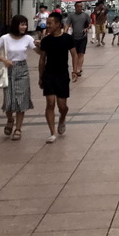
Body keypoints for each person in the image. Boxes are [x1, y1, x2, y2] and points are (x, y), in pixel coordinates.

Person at [0, 14, 35, 141]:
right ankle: (9, 119)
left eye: (25, 24)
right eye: (22, 24)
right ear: (15, 25)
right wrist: (4, 60)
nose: (24, 27)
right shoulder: (5, 38)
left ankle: (18, 128)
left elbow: (39, 52)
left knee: (22, 99)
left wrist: (41, 45)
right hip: (9, 69)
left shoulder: (28, 38)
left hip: (22, 70)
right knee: (8, 99)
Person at [38, 12, 74, 143]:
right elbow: (42, 59)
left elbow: (74, 54)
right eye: (47, 23)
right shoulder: (46, 40)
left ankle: (62, 118)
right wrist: (40, 76)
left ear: (58, 24)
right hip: (49, 74)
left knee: (62, 106)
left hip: (62, 74)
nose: (47, 25)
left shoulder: (67, 38)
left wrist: (75, 70)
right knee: (50, 103)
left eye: (50, 23)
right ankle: (52, 132)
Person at [66, 1, 91, 80]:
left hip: (83, 37)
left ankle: (79, 68)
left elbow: (90, 24)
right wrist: (64, 33)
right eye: (78, 6)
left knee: (81, 53)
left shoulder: (85, 15)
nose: (79, 8)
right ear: (75, 7)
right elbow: (67, 25)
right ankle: (75, 68)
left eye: (81, 6)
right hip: (74, 37)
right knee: (75, 54)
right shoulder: (71, 16)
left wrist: (87, 29)